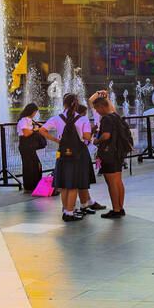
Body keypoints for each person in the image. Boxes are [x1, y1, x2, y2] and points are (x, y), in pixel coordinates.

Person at [47, 93, 96, 222]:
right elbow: (86, 137)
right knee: (74, 184)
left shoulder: (57, 118)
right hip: (77, 154)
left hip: (62, 153)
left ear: (64, 104)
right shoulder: (83, 119)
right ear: (77, 104)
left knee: (63, 184)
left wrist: (56, 140)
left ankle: (65, 209)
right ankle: (69, 212)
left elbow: (42, 130)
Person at [90, 92, 129, 218]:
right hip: (118, 152)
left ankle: (116, 210)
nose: (97, 111)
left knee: (111, 182)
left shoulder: (106, 118)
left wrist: (97, 140)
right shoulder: (115, 116)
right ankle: (120, 208)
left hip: (109, 153)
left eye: (96, 109)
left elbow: (106, 135)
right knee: (118, 181)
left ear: (101, 107)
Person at [16, 102, 46, 193]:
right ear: (32, 111)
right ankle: (30, 187)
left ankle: (32, 186)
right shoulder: (24, 120)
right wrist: (35, 130)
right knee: (31, 166)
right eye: (35, 112)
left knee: (33, 166)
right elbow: (26, 133)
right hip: (26, 145)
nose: (35, 114)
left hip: (27, 146)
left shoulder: (28, 120)